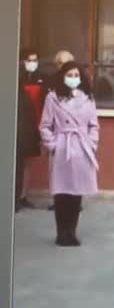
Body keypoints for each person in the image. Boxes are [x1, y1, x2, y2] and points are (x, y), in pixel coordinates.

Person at [40, 61, 99, 247]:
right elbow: (45, 125)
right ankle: (61, 233)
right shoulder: (52, 98)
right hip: (62, 148)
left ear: (80, 78)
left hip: (81, 149)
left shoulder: (88, 98)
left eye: (76, 75)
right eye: (69, 75)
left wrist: (91, 143)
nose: (73, 79)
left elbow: (94, 125)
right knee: (61, 193)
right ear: (62, 76)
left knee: (76, 193)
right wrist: (53, 144)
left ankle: (72, 232)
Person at [16, 48, 47, 211]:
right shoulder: (17, 77)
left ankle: (23, 196)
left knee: (27, 161)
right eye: (29, 60)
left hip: (33, 123)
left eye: (35, 60)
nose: (32, 63)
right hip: (18, 122)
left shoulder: (42, 78)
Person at [46, 50, 75, 211]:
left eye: (66, 62)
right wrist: (50, 141)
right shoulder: (51, 82)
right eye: (60, 63)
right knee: (55, 171)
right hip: (56, 134)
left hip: (76, 137)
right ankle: (57, 200)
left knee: (74, 169)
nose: (63, 66)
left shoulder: (78, 81)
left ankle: (74, 201)